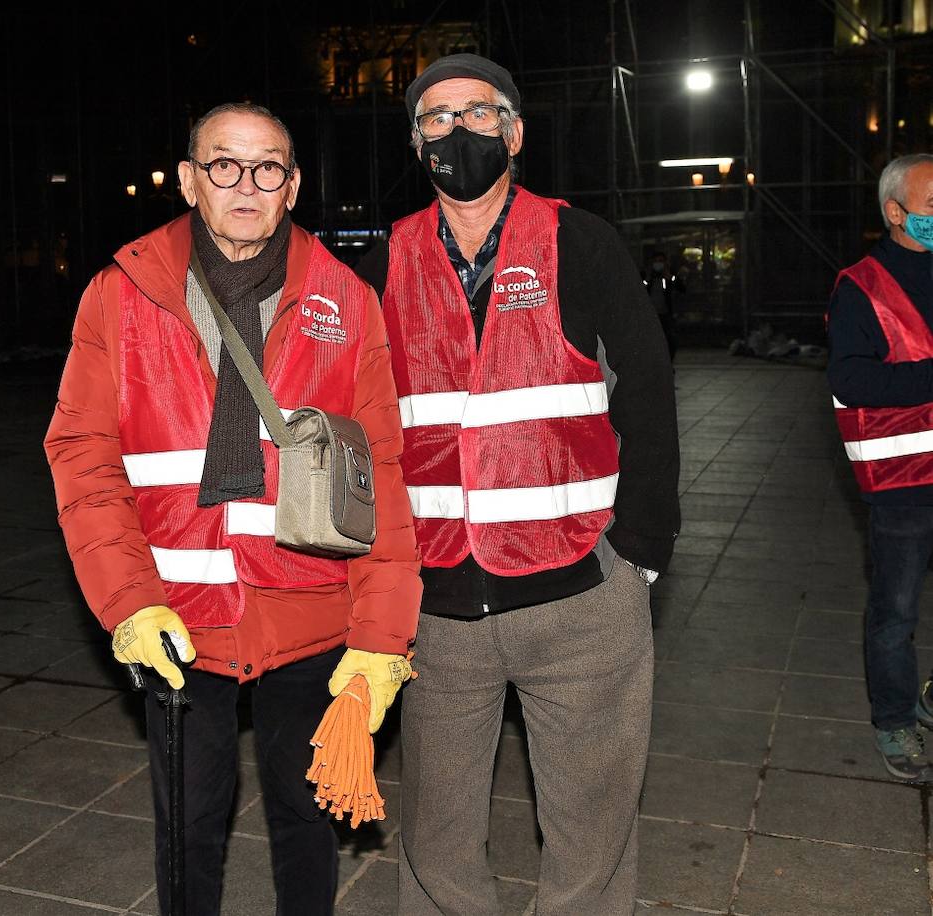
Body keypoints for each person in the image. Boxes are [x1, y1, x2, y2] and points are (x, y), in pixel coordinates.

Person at [45, 102, 421, 915]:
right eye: (224, 165)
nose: (245, 185)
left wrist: (381, 640)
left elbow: (381, 474)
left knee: (307, 819)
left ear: (292, 186)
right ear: (188, 179)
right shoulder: (119, 296)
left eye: (267, 168)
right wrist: (128, 601)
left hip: (309, 612)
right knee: (187, 826)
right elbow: (83, 458)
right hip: (175, 614)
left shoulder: (347, 302)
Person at [355, 54, 680, 914]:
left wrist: (638, 558)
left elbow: (648, 395)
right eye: (435, 117)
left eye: (478, 112)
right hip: (437, 606)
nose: (458, 131)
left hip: (578, 597)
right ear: (416, 141)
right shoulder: (384, 260)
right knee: (436, 835)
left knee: (591, 835)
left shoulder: (583, 243)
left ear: (516, 132)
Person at [827, 153, 933, 783]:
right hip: (904, 485)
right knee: (895, 609)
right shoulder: (861, 287)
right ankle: (895, 718)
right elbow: (850, 377)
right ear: (895, 213)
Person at [643, 251, 678, 359]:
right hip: (650, 315)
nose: (658, 264)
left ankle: (668, 362)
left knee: (669, 339)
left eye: (661, 261)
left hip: (665, 314)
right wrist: (648, 279)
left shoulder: (670, 275)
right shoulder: (647, 276)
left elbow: (681, 288)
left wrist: (669, 277)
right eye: (656, 261)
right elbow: (641, 289)